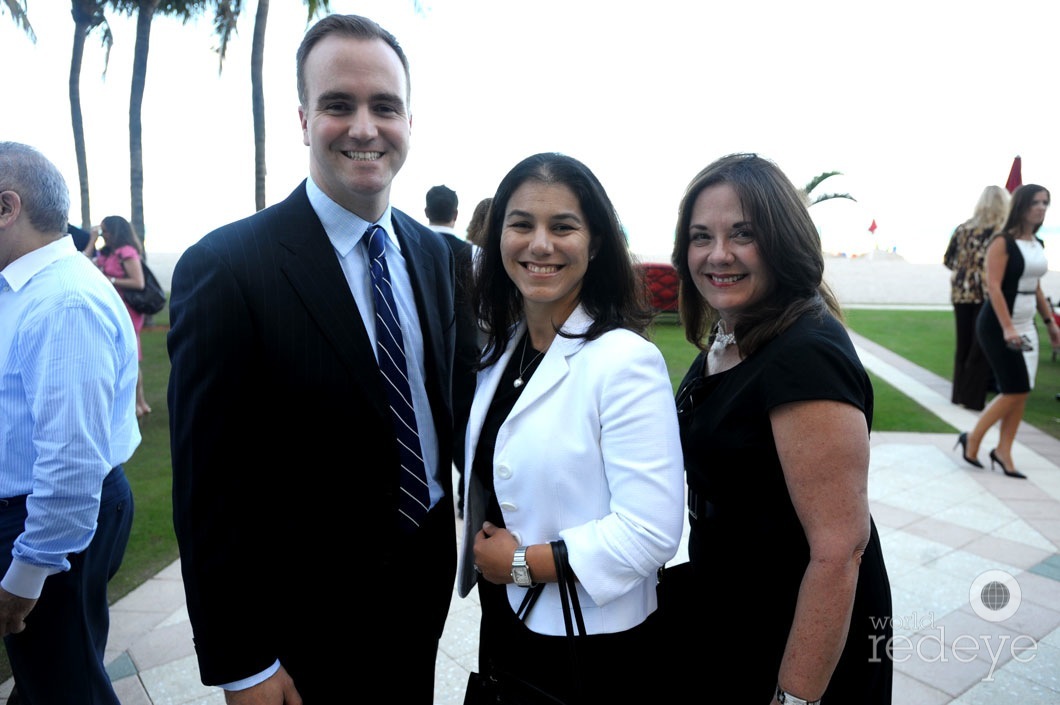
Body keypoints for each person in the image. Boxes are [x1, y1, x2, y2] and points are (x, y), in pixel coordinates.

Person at [168, 14, 470, 703]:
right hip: (303, 618)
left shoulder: (433, 255)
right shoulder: (228, 268)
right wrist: (242, 662)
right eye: (339, 104)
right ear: (305, 120)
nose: (364, 127)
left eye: (384, 106)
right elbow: (206, 493)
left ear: (409, 122)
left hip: (422, 580)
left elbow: (444, 405)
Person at [456, 152, 685, 702]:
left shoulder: (624, 361)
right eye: (521, 225)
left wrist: (518, 565)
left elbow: (651, 530)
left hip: (590, 641)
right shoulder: (501, 353)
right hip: (507, 620)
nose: (540, 244)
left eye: (563, 226)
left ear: (595, 243)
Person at [670, 153, 893, 703]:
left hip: (795, 631)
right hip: (737, 607)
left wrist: (795, 697)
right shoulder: (734, 334)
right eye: (702, 237)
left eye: (742, 234)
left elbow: (839, 550)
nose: (718, 254)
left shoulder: (804, 355)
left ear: (781, 241)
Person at [0, 141, 138, 704]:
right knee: (49, 680)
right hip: (50, 516)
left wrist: (26, 575)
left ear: (6, 208)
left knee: (67, 689)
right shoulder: (28, 286)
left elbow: (72, 464)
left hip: (52, 523)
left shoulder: (62, 301)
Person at [958, 184, 1059, 479]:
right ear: (1022, 206)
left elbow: (1036, 286)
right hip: (999, 325)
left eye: (1046, 203)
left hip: (1026, 323)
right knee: (1016, 388)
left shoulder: (1037, 242)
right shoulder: (1002, 242)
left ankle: (1004, 450)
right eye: (1036, 203)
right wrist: (1008, 328)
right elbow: (994, 287)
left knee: (1021, 393)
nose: (1041, 208)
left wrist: (1050, 322)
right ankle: (972, 439)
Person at [424, 183, 479, 517]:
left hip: (429, 348)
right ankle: (464, 494)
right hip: (465, 347)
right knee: (465, 422)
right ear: (456, 214)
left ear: (427, 211)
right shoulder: (472, 253)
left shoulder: (411, 245)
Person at [943, 185, 1010, 411]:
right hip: (986, 292)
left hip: (961, 291)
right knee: (979, 347)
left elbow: (948, 260)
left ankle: (958, 394)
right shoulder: (1000, 232)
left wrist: (964, 270)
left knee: (963, 345)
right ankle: (972, 398)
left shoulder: (963, 229)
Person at [86, 215, 152, 418]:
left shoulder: (126, 252)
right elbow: (83, 260)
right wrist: (92, 240)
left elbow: (138, 282)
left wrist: (110, 279)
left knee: (129, 355)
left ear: (115, 231)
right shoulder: (108, 253)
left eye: (105, 231)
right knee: (124, 355)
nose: (103, 235)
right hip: (113, 308)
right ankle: (139, 404)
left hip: (127, 310)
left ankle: (137, 404)